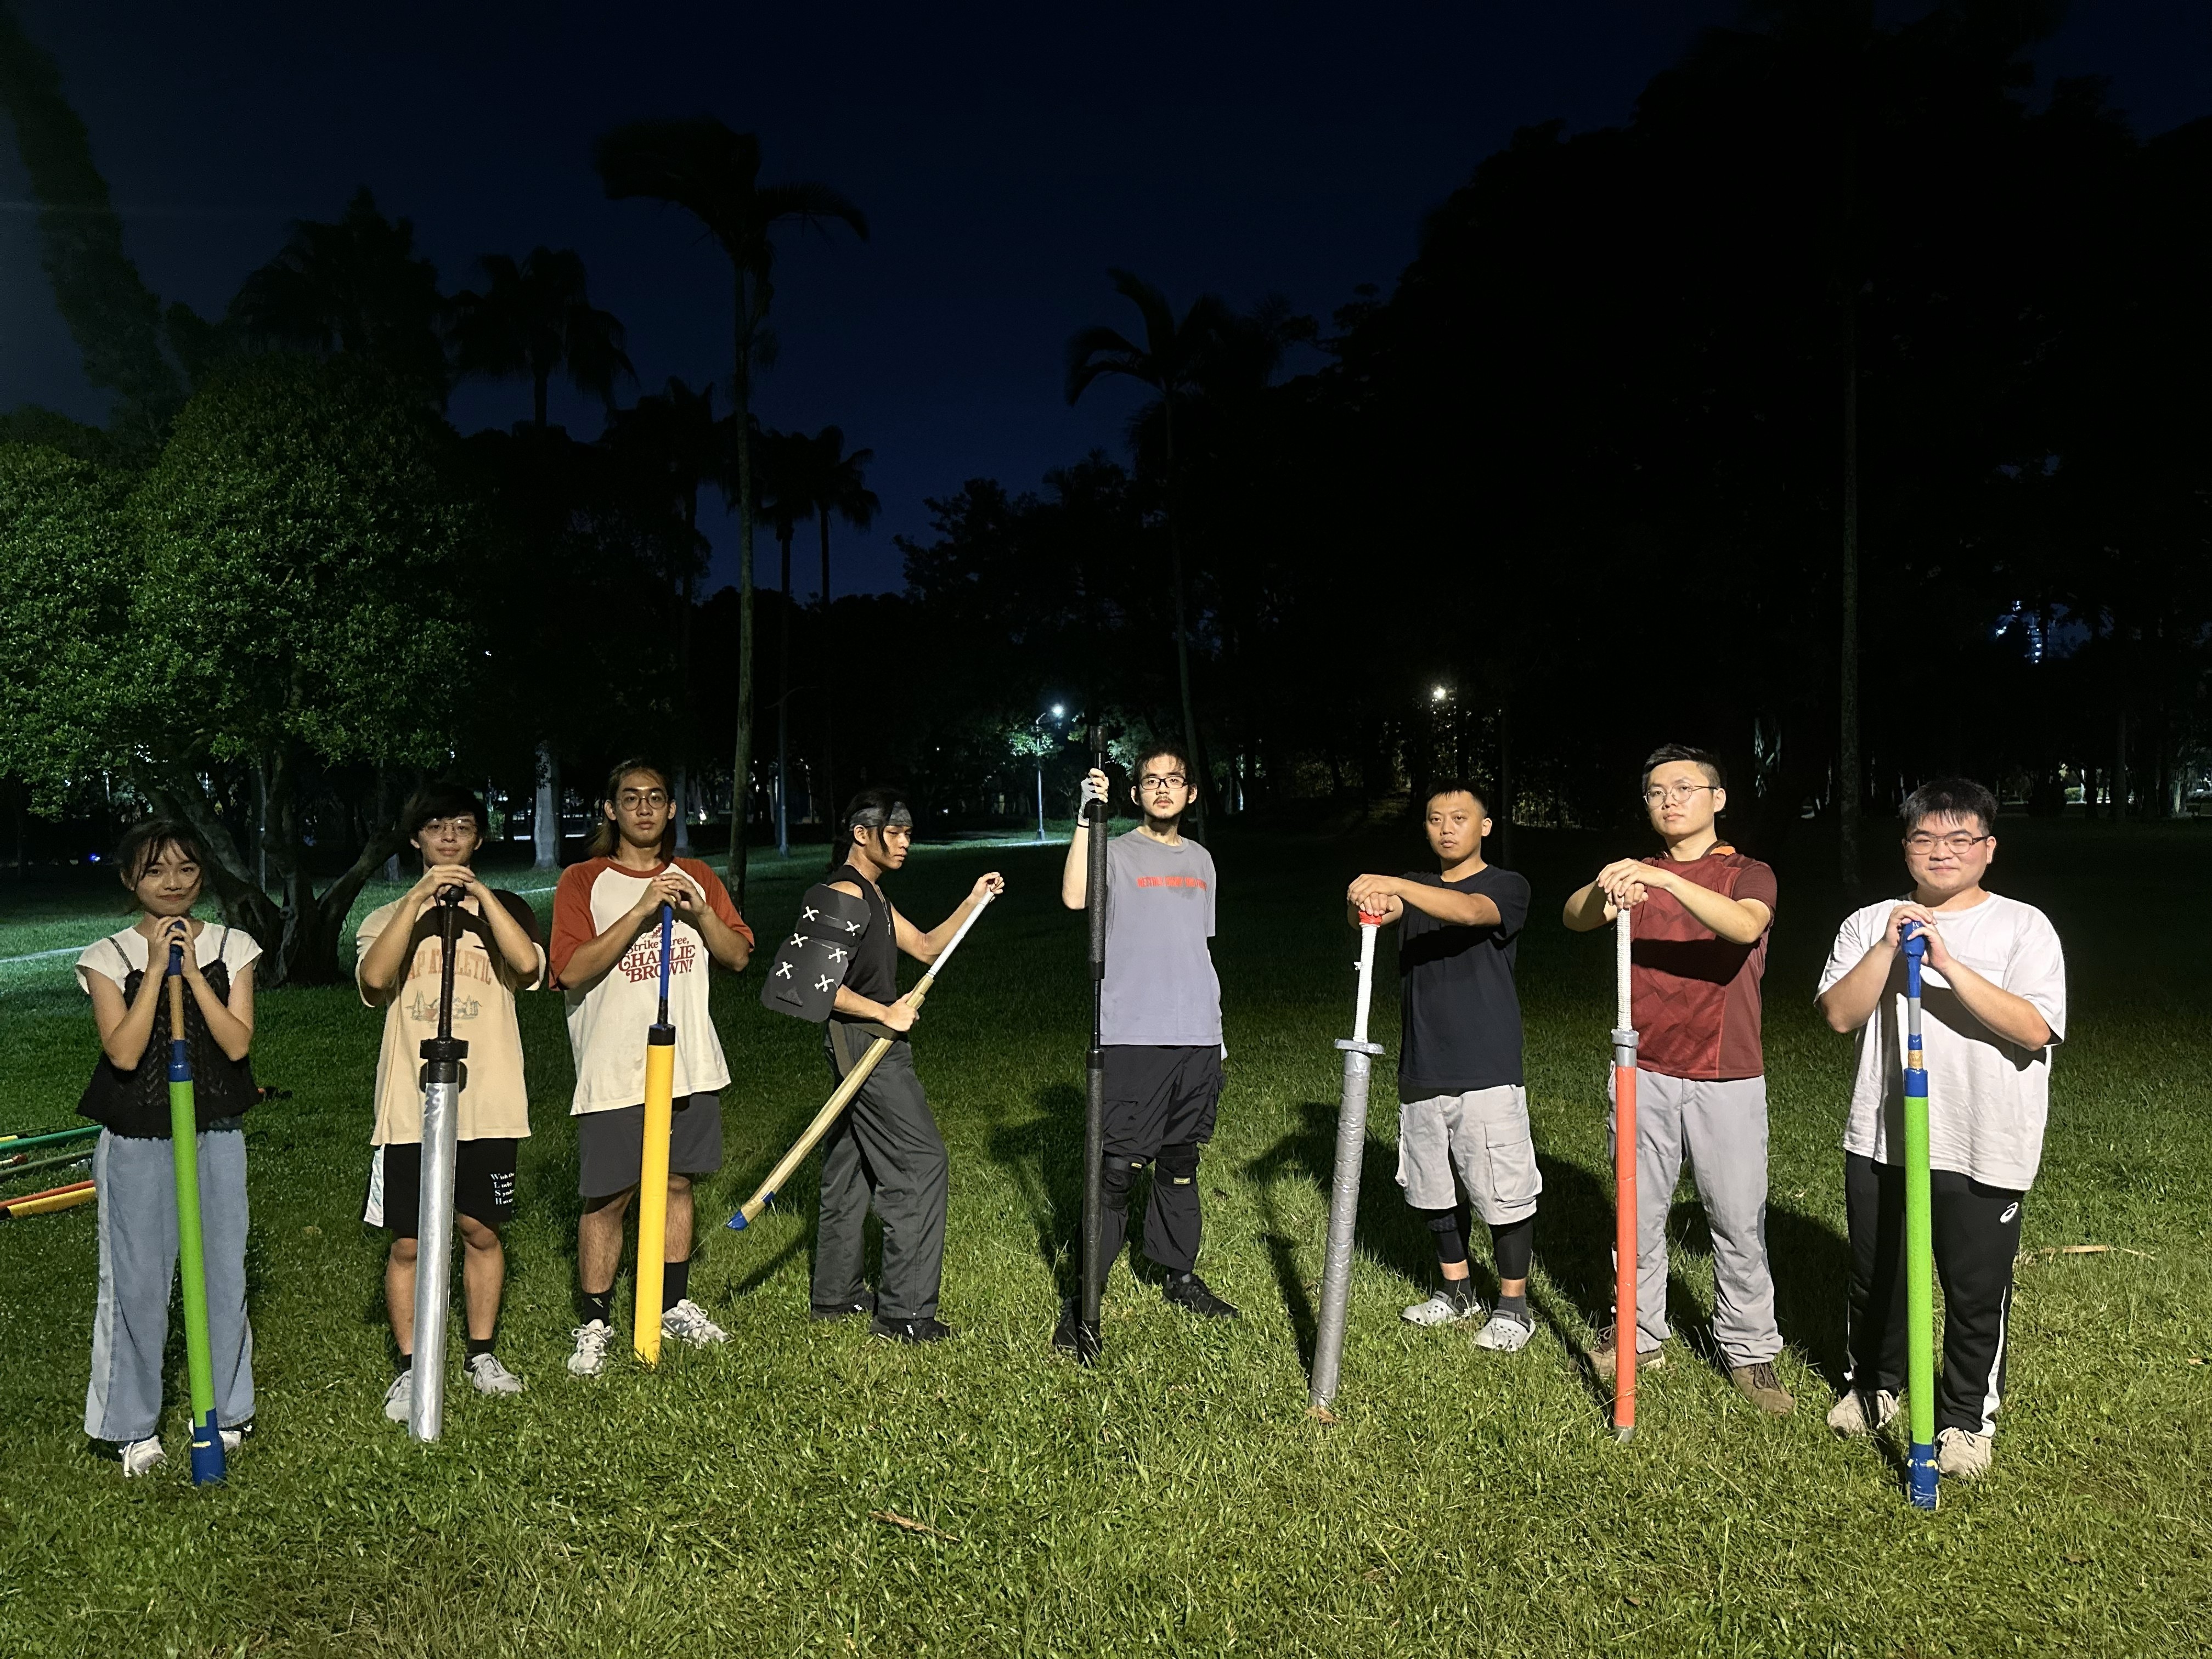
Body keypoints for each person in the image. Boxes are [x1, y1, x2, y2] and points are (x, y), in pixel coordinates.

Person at [1814, 777, 2064, 1481]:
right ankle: (1874, 1385)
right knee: (1878, 1277)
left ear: (1989, 848)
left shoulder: (2024, 927)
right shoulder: (1872, 922)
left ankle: (1964, 1420)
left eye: (1960, 839)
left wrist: (1947, 963)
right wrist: (1888, 949)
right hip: (1883, 1135)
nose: (1942, 852)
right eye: (1925, 839)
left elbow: (2035, 1028)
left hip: (1985, 1138)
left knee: (1975, 1291)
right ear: (1905, 848)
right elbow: (1839, 1015)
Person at [1562, 743, 1792, 1414]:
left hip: (1725, 1073)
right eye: (1657, 792)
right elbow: (1574, 917)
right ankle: (1637, 1335)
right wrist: (1607, 890)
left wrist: (1664, 883)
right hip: (1642, 1069)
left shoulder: (1747, 873)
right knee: (1636, 1215)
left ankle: (1748, 1350)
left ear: (1717, 799)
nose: (1670, 800)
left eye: (1685, 788)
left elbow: (1744, 926)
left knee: (1737, 1219)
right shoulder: (1635, 876)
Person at [550, 759, 754, 1378]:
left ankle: (672, 1305)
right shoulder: (583, 880)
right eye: (631, 798)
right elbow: (571, 970)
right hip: (616, 1065)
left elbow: (738, 957)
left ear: (671, 810)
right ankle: (595, 1321)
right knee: (610, 1195)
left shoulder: (697, 876)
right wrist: (641, 910)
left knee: (676, 1185)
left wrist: (702, 912)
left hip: (689, 1063)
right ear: (611, 810)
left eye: (656, 798)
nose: (644, 808)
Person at [75, 820, 259, 1477]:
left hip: (215, 1131)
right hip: (137, 1135)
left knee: (223, 1276)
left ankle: (227, 1413)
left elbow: (237, 1044)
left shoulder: (234, 946)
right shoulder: (106, 957)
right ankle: (132, 1429)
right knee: (137, 1283)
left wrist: (196, 974)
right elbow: (124, 1053)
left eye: (186, 868)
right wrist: (156, 968)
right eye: (155, 871)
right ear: (131, 880)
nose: (173, 883)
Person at [355, 786, 545, 1421]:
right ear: (416, 839)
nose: (448, 838)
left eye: (462, 827)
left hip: (488, 1102)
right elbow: (375, 979)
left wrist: (480, 898)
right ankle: (413, 1367)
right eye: (435, 827)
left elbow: (527, 968)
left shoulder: (505, 910)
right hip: (410, 1107)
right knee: (409, 1241)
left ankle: (481, 1354)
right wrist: (418, 900)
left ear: (479, 839)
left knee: (480, 1229)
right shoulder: (387, 917)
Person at [1055, 742, 1239, 1353]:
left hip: (1197, 1035)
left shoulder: (1203, 860)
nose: (1163, 788)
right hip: (1133, 1033)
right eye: (1151, 781)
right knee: (1117, 1171)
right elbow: (1075, 897)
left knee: (1181, 1162)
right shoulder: (1113, 850)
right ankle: (1086, 1299)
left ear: (1190, 793)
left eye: (1174, 780)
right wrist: (1087, 816)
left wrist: (1216, 1033)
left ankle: (1179, 1275)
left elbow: (1197, 949)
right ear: (1135, 794)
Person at [1347, 782, 1540, 1352]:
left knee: (1502, 1190)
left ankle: (1514, 1306)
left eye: (1459, 818)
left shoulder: (1506, 885)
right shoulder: (1416, 887)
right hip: (1422, 1062)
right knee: (1433, 1187)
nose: (1447, 828)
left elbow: (1471, 911)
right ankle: (1457, 1291)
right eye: (1435, 819)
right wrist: (1367, 899)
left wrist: (1394, 884)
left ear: (1485, 826)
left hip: (1486, 1065)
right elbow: (1379, 912)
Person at [808, 788, 1003, 1344]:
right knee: (921, 1163)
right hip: (866, 1041)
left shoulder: (872, 893)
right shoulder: (843, 892)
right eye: (894, 832)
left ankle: (836, 1295)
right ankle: (905, 1314)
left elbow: (925, 946)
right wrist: (884, 1012)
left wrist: (973, 900)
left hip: (870, 1036)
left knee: (851, 1166)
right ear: (861, 834)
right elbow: (813, 984)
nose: (904, 843)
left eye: (909, 834)